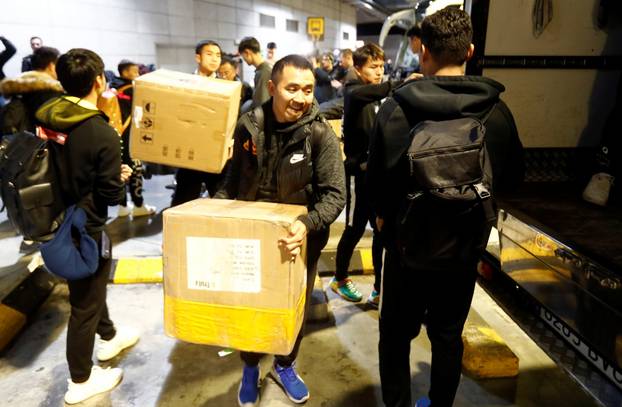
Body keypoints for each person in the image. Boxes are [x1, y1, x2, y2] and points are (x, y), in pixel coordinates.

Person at [367, 8, 523, 407]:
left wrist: (386, 227)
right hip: (462, 251)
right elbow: (513, 179)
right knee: (448, 337)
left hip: (406, 252)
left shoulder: (396, 110)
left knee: (396, 337)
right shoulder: (498, 112)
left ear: (423, 54)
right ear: (470, 51)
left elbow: (376, 186)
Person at [215, 54, 346, 406]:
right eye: (292, 89)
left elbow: (336, 194)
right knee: (250, 304)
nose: (301, 98)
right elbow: (231, 178)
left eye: (307, 89)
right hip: (250, 237)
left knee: (293, 307)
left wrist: (307, 224)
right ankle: (249, 365)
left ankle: (285, 365)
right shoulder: (250, 125)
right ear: (272, 88)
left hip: (298, 241)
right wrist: (215, 213)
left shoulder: (318, 133)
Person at [35, 48, 140, 405]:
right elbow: (109, 194)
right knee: (84, 304)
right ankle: (80, 380)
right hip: (85, 226)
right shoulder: (100, 132)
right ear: (99, 80)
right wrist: (119, 175)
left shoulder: (46, 116)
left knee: (90, 288)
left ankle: (109, 337)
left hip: (53, 217)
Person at [331, 43, 389, 307]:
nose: (379, 72)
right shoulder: (354, 92)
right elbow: (362, 94)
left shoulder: (377, 97)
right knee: (353, 230)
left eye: (381, 67)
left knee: (381, 232)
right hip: (357, 175)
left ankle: (379, 288)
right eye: (373, 67)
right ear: (357, 68)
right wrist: (401, 83)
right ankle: (339, 280)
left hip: (378, 176)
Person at [171, 40, 226, 206]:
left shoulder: (226, 87)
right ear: (198, 57)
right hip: (190, 153)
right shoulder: (185, 84)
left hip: (216, 153)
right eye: (209, 54)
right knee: (183, 200)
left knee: (222, 200)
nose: (215, 59)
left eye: (218, 55)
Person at [111, 59, 156, 218]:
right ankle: (138, 205)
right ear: (125, 73)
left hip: (115, 138)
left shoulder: (113, 89)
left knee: (121, 171)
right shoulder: (133, 89)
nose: (138, 75)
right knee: (136, 170)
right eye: (135, 72)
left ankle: (122, 206)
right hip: (131, 137)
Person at [1, 46, 63, 136]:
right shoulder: (51, 91)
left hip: (18, 142)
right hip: (40, 144)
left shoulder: (18, 88)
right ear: (51, 66)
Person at [238, 37, 272, 109]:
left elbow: (261, 105)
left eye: (243, 56)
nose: (244, 59)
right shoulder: (263, 69)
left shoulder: (264, 72)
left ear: (247, 53)